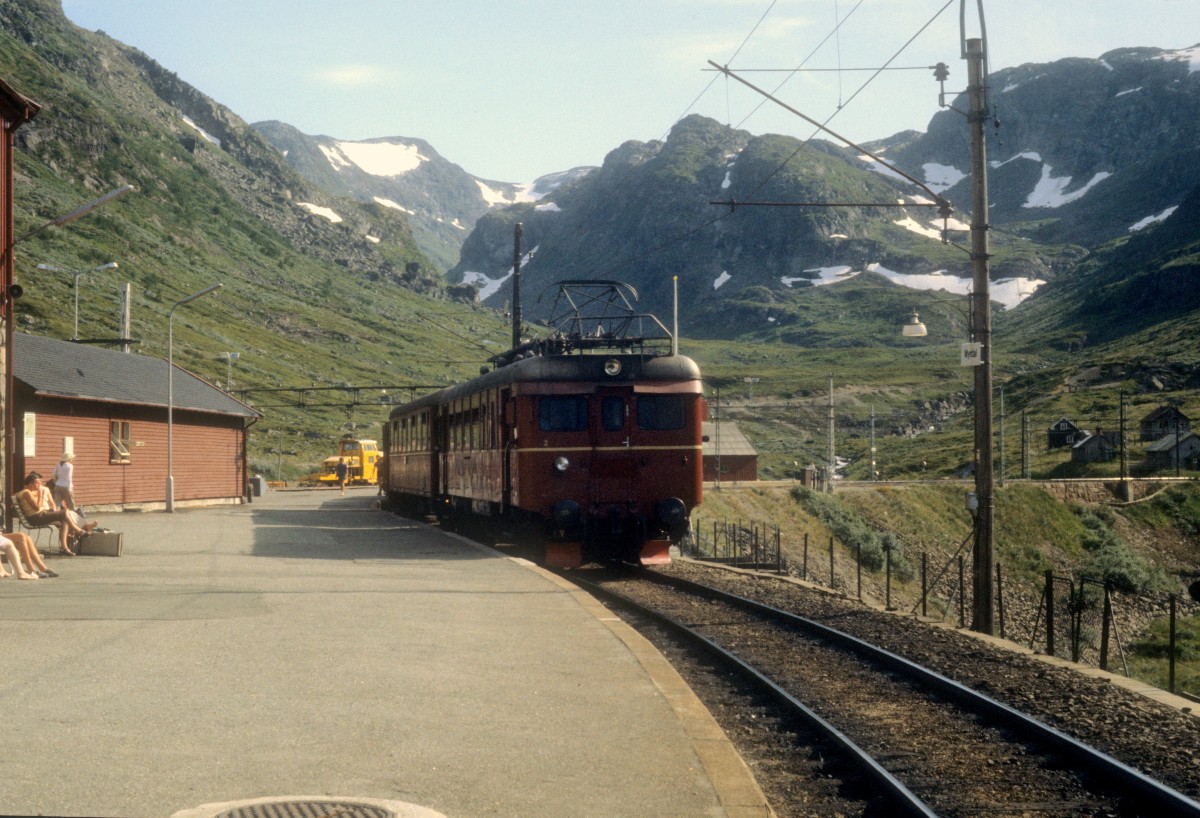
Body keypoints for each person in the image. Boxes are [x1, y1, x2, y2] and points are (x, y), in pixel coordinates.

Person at [16, 472, 96, 556]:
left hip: (40, 516)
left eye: (40, 483)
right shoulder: (26, 493)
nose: (39, 485)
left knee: (64, 520)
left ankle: (65, 548)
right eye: (37, 483)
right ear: (30, 484)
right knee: (65, 512)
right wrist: (40, 494)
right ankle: (78, 530)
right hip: (36, 517)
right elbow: (37, 508)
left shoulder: (29, 492)